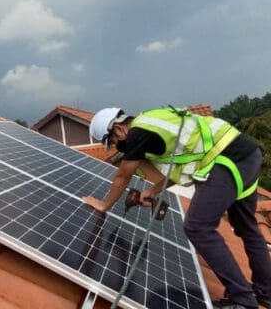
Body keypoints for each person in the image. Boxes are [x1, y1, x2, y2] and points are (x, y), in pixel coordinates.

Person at [82, 106, 271, 309]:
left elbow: (123, 175)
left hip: (228, 157)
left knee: (197, 227)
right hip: (247, 155)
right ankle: (266, 292)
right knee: (247, 227)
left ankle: (242, 299)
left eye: (113, 143)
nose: (118, 148)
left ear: (119, 129)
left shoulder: (137, 133)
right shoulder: (152, 124)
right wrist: (153, 191)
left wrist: (104, 205)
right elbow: (179, 167)